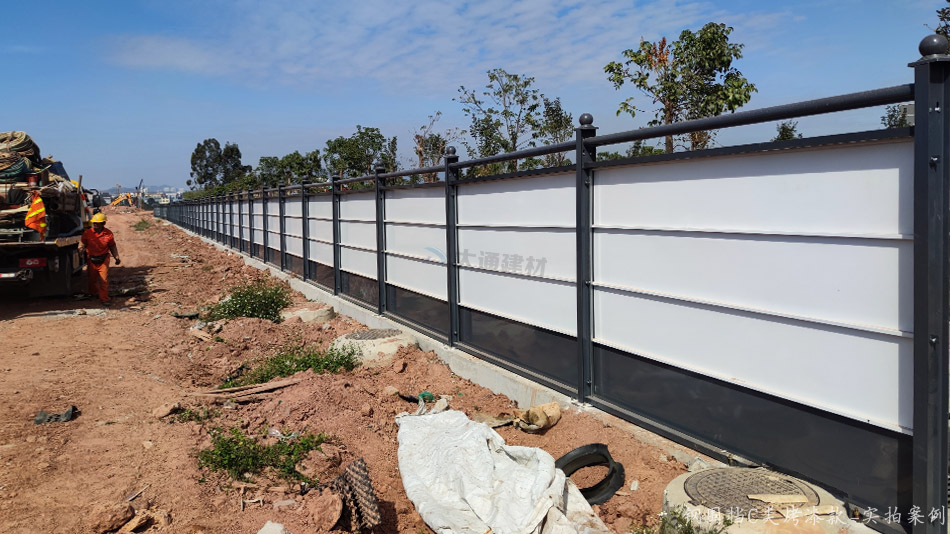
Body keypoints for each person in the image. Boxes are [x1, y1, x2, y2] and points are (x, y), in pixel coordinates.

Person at [80, 212, 120, 305]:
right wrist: (80, 249)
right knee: (92, 279)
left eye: (97, 223)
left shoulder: (108, 234)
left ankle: (104, 298)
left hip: (103, 259)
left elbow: (112, 246)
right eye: (94, 223)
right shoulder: (87, 233)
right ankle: (93, 293)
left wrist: (116, 257)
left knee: (104, 280)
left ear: (103, 224)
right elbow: (82, 243)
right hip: (91, 259)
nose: (95, 225)